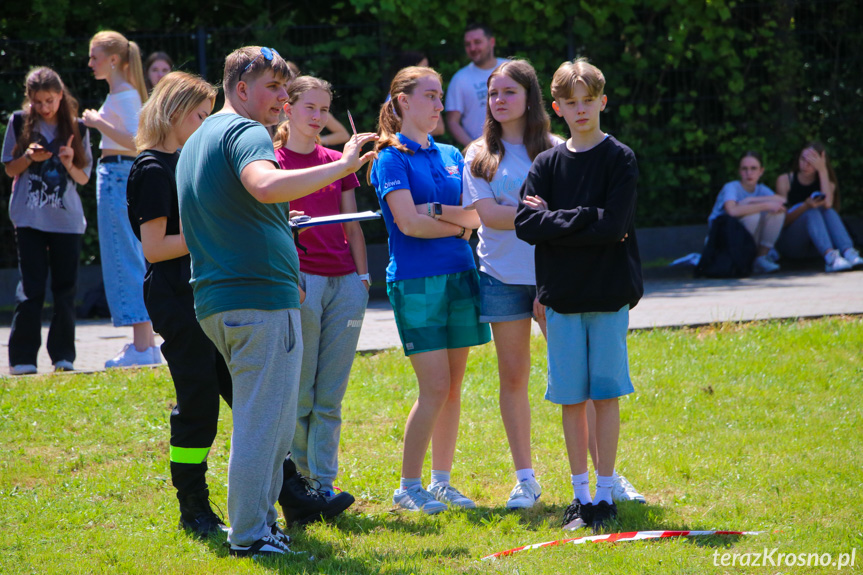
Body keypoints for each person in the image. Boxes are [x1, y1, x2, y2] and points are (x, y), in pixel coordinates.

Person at [176, 46, 376, 558]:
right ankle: (250, 535)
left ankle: (261, 523)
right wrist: (343, 167)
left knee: (267, 419)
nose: (281, 99)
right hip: (258, 300)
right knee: (265, 424)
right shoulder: (244, 132)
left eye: (285, 89)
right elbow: (263, 185)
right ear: (240, 89)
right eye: (272, 87)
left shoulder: (198, 138)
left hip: (220, 299)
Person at [514, 58, 642, 532]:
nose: (581, 109)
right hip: (562, 298)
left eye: (589, 100)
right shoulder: (546, 163)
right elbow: (526, 224)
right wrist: (586, 216)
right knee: (571, 398)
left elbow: (614, 227)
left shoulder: (620, 158)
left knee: (606, 395)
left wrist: (560, 221)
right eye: (572, 102)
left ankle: (606, 495)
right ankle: (581, 497)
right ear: (557, 108)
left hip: (609, 295)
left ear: (603, 102)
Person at [369, 66, 491, 514]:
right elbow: (408, 223)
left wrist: (441, 214)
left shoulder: (452, 154)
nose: (440, 105)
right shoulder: (389, 156)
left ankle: (441, 483)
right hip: (415, 281)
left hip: (461, 275)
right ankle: (408, 487)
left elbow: (475, 218)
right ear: (402, 101)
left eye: (441, 97)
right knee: (435, 386)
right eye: (430, 96)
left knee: (453, 387)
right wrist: (454, 225)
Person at [126, 71, 232, 537]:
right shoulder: (151, 168)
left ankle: (289, 490)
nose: (206, 124)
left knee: (248, 393)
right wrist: (211, 233)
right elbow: (154, 248)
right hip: (174, 295)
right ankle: (193, 506)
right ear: (172, 111)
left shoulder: (190, 161)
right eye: (200, 115)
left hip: (206, 288)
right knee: (199, 403)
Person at [462, 59, 560, 508]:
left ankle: (604, 476)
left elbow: (561, 222)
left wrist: (517, 211)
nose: (499, 101)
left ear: (530, 97)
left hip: (553, 280)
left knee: (573, 376)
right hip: (500, 279)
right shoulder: (478, 152)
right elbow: (490, 218)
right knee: (514, 378)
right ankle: (525, 479)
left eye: (508, 92)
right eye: (492, 94)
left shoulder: (556, 150)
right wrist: (532, 211)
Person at [273, 75, 369, 514]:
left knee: (331, 394)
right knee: (302, 393)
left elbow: (353, 225)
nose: (317, 117)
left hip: (346, 283)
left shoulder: (338, 161)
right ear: (287, 109)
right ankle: (298, 485)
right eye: (309, 108)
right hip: (302, 283)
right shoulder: (269, 162)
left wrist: (362, 280)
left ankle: (324, 485)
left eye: (324, 109)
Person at [2, 67, 92, 375]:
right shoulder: (18, 122)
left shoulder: (77, 128)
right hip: (28, 219)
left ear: (61, 96)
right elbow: (10, 170)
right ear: (29, 99)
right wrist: (28, 157)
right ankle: (22, 359)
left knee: (65, 290)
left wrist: (67, 162)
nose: (44, 107)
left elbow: (83, 177)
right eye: (38, 102)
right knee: (31, 288)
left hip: (66, 222)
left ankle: (63, 357)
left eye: (50, 100)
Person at [84, 30, 160, 368]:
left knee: (125, 258)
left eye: (95, 56)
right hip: (114, 175)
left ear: (113, 59)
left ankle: (143, 347)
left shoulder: (125, 95)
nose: (90, 63)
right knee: (127, 257)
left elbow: (136, 141)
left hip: (117, 175)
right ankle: (143, 345)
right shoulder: (122, 94)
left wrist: (98, 122)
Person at [775, 142, 863, 272]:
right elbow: (781, 223)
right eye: (803, 159)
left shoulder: (828, 184)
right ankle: (830, 258)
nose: (806, 164)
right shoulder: (785, 180)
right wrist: (804, 206)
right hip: (791, 244)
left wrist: (822, 170)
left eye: (812, 161)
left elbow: (828, 204)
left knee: (828, 210)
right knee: (812, 212)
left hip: (815, 248)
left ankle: (848, 252)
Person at [707, 151, 787, 274]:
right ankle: (742, 258)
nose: (749, 173)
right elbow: (732, 211)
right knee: (753, 216)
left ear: (761, 171)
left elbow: (782, 201)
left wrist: (751, 200)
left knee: (777, 213)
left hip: (748, 238)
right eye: (745, 169)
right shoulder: (731, 187)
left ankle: (761, 258)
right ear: (739, 171)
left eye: (753, 169)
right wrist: (765, 205)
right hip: (724, 238)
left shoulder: (761, 189)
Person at [445, 23, 508, 148]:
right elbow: (452, 122)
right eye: (468, 44)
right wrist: (475, 148)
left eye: (477, 42)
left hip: (518, 145)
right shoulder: (460, 79)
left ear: (492, 42)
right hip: (482, 150)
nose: (473, 48)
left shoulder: (510, 69)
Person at [282, 61, 351, 146]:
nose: (317, 117)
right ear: (288, 110)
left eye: (287, 81)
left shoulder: (317, 110)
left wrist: (316, 141)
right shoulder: (271, 108)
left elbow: (343, 135)